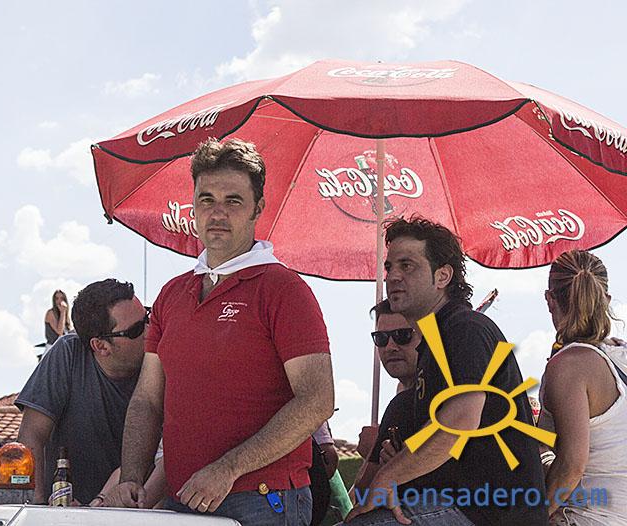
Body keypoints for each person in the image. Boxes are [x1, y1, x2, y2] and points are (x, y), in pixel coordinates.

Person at [113, 138, 334, 526]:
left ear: (257, 208)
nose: (217, 212)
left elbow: (317, 400)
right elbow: (147, 400)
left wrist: (229, 468)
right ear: (193, 205)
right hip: (182, 501)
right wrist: (131, 477)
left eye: (233, 201)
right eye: (207, 199)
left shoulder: (284, 289)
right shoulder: (171, 294)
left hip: (264, 501)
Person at [347, 217, 547, 526]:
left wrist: (388, 475)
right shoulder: (434, 343)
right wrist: (400, 460)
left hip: (489, 514)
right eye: (389, 267)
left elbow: (459, 422)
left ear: (443, 276)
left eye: (407, 265)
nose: (393, 276)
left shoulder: (465, 328)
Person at [16, 280, 148, 505]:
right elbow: (32, 435)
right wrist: (37, 508)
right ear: (101, 346)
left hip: (138, 507)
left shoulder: (162, 359)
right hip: (65, 511)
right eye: (136, 330)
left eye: (148, 317)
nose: (151, 330)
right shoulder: (68, 352)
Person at [540, 250, 627, 525]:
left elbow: (571, 466)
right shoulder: (621, 356)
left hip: (589, 517)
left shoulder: (570, 365)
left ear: (550, 300)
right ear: (606, 299)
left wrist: (533, 517)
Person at [350, 300, 420, 501]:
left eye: (403, 335)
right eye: (381, 338)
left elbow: (363, 494)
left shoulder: (408, 402)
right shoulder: (403, 396)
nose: (390, 347)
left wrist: (372, 450)